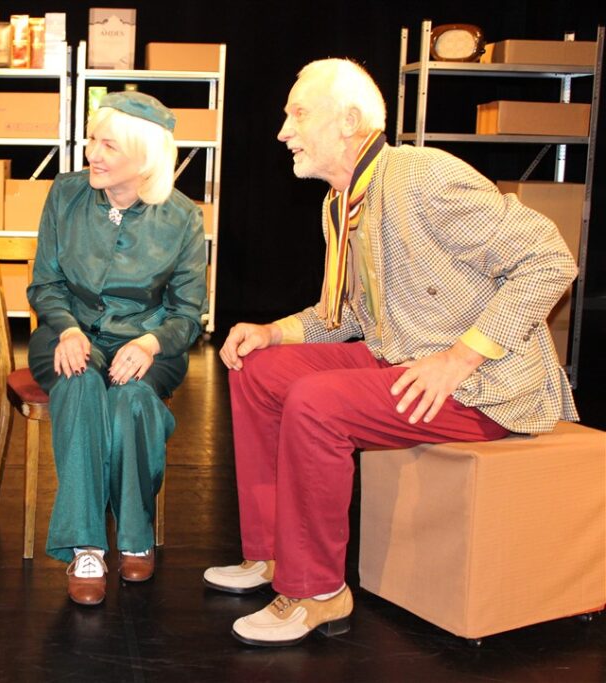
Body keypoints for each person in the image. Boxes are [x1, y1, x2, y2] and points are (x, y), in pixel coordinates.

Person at [202, 59, 578, 646]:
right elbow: (355, 315)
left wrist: (460, 357)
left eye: (298, 114)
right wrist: (274, 332)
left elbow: (550, 259)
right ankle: (273, 553)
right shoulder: (342, 202)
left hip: (484, 386)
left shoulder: (422, 176)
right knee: (259, 368)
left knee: (317, 403)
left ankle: (318, 592)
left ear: (349, 121)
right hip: (402, 358)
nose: (283, 131)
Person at [27, 91, 208, 606]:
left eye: (108, 145)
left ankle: (134, 534)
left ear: (145, 157)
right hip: (68, 332)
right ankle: (86, 546)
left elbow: (187, 314)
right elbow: (45, 285)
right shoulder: (66, 194)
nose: (92, 154)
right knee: (80, 381)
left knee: (132, 399)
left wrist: (151, 343)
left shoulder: (181, 217)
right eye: (92, 141)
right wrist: (67, 329)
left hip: (148, 344)